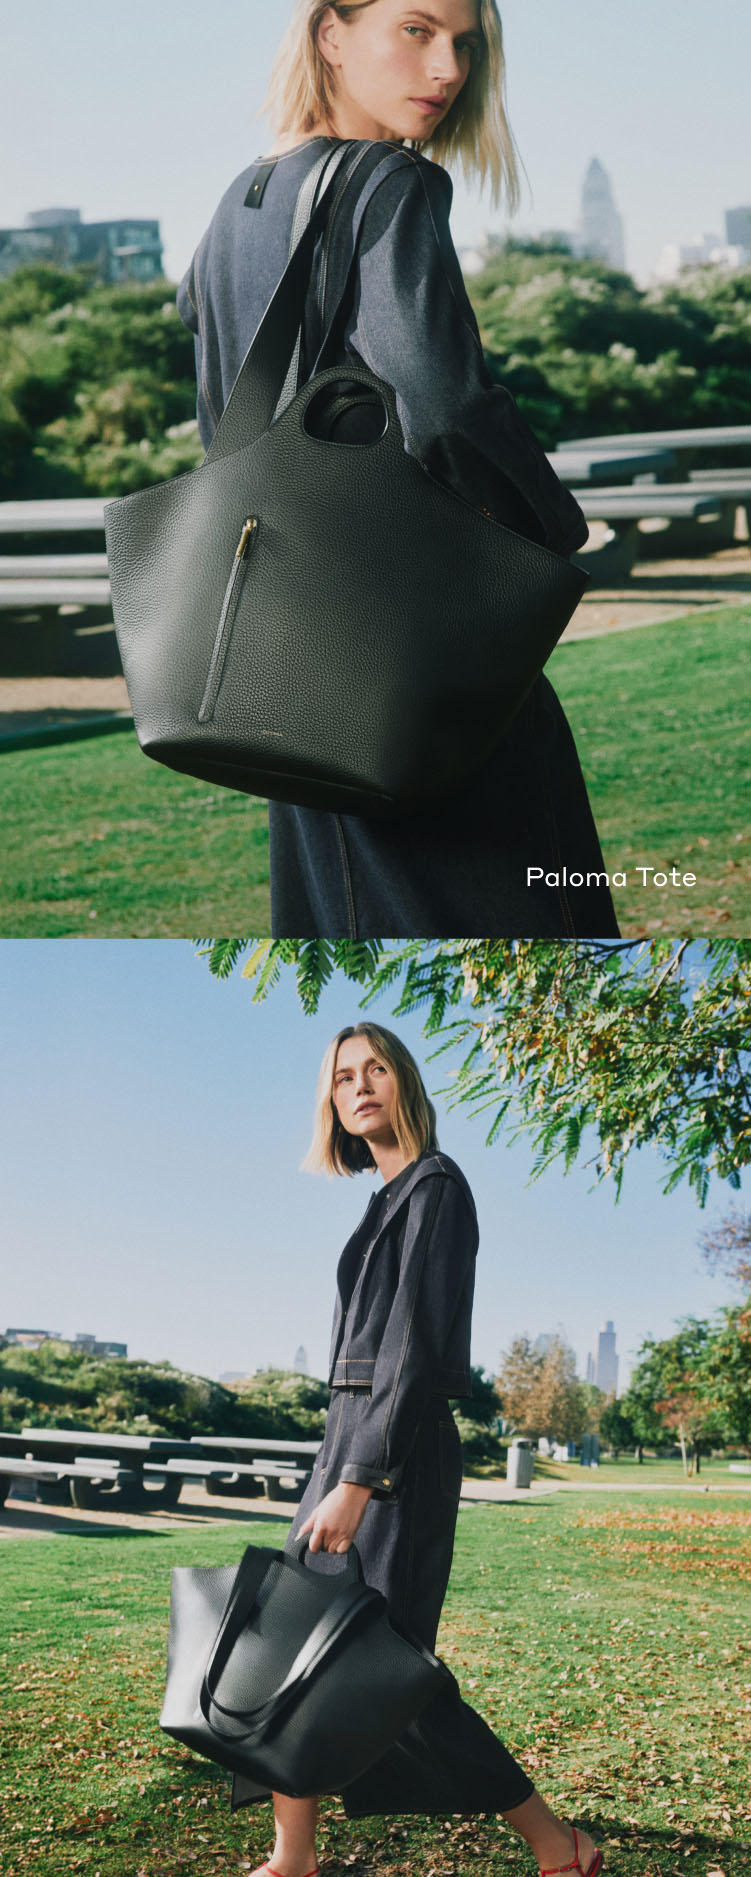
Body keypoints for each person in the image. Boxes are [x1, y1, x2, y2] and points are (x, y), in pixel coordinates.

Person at [177, 0, 620, 942]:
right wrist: (550, 531)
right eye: (416, 31)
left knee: (346, 924)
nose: (449, 68)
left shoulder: (237, 203)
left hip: (284, 664)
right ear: (329, 35)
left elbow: (226, 412)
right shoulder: (388, 185)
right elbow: (443, 401)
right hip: (414, 650)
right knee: (529, 917)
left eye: (465, 43)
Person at [231, 1021, 604, 1877]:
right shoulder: (385, 1198)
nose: (358, 1086)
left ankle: (559, 1845)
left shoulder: (436, 1186)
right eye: (341, 1078)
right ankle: (292, 1855)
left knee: (384, 1665)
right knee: (295, 1640)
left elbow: (408, 1347)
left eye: (375, 1070)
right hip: (350, 1447)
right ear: (331, 1103)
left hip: (393, 1461)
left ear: (403, 1082)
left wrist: (362, 1477)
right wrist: (341, 1462)